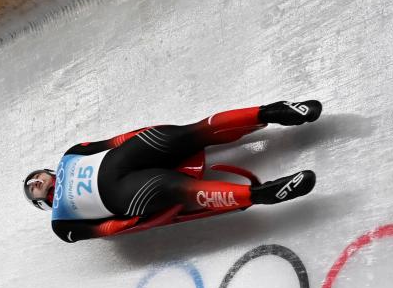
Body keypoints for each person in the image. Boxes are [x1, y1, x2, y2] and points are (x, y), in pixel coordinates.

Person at [24, 101, 322, 242]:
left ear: (48, 170)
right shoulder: (61, 223)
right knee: (175, 187)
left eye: (35, 176)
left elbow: (113, 142)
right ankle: (262, 194)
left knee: (188, 134)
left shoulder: (71, 154)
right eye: (32, 188)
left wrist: (148, 133)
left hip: (126, 156)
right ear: (41, 202)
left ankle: (273, 112)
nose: (35, 181)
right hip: (124, 193)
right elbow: (102, 229)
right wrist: (136, 221)